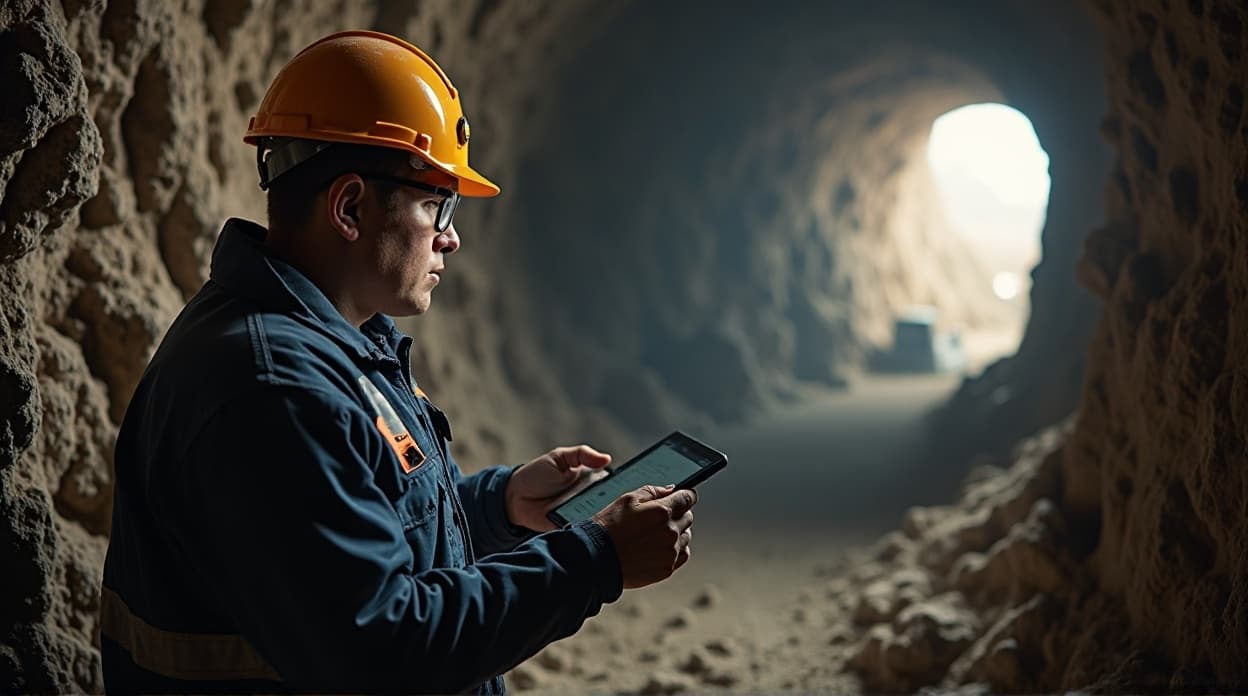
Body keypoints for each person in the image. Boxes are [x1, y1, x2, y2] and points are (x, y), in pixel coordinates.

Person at [99, 30, 697, 694]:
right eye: (436, 203)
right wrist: (598, 557)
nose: (452, 235)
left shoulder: (333, 346)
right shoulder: (273, 391)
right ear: (350, 207)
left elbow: (346, 539)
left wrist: (498, 507)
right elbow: (384, 650)